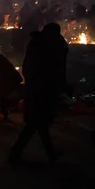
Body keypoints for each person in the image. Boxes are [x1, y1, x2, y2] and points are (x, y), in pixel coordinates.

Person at [9, 23, 67, 163]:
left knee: (38, 124)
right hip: (45, 90)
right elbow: (58, 69)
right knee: (38, 123)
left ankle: (48, 153)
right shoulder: (55, 45)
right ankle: (16, 154)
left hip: (35, 89)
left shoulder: (36, 43)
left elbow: (27, 67)